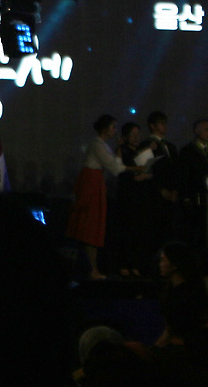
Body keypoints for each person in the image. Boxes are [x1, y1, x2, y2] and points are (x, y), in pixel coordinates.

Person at [66, 113, 142, 279]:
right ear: (106, 128)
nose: (115, 130)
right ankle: (91, 269)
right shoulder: (97, 144)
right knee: (90, 226)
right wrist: (135, 169)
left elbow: (116, 167)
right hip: (91, 184)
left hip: (96, 182)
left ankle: (93, 268)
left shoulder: (103, 145)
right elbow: (115, 167)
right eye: (113, 127)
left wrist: (120, 151)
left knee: (93, 226)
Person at [145, 110, 180, 273]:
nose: (164, 126)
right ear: (152, 126)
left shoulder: (170, 146)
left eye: (165, 122)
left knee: (169, 231)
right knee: (156, 231)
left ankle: (169, 264)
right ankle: (155, 266)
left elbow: (176, 170)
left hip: (171, 194)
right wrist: (160, 189)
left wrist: (175, 189)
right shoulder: (147, 145)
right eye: (161, 123)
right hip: (155, 196)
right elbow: (149, 169)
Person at [115, 121, 152, 277]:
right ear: (125, 137)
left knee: (139, 231)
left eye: (138, 134)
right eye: (133, 135)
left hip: (140, 195)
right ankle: (124, 264)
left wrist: (147, 175)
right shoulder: (122, 151)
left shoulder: (140, 151)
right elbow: (119, 171)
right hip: (127, 196)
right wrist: (136, 176)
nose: (137, 137)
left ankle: (136, 264)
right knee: (127, 230)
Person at [178, 118, 208, 247]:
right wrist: (185, 196)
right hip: (194, 196)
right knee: (193, 230)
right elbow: (184, 175)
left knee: (207, 231)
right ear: (197, 131)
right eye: (206, 130)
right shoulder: (188, 150)